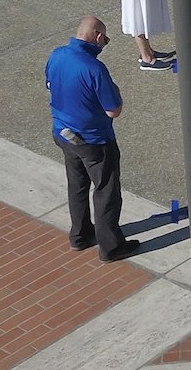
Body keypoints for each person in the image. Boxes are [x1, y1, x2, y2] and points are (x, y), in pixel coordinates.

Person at [45, 16, 140, 262]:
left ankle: (80, 236)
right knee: (106, 191)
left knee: (76, 185)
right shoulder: (94, 68)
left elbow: (50, 85)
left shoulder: (56, 55)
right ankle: (111, 247)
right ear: (98, 37)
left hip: (63, 134)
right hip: (94, 141)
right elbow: (113, 110)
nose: (104, 44)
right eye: (105, 39)